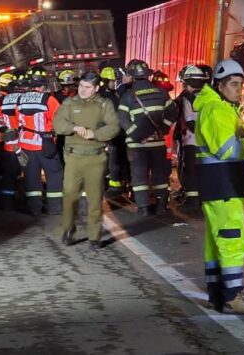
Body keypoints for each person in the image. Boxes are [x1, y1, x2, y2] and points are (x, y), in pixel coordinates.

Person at [195, 59, 244, 315]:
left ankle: (218, 294)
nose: (238, 90)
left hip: (218, 181)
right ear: (219, 85)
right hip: (224, 180)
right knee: (231, 238)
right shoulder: (216, 110)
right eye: (233, 85)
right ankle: (233, 296)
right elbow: (227, 150)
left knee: (216, 241)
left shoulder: (221, 108)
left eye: (241, 86)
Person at [54, 72, 120, 249]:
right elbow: (57, 125)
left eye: (87, 87)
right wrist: (73, 127)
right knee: (69, 195)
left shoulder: (104, 104)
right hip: (73, 157)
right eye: (81, 86)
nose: (83, 90)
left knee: (95, 198)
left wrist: (95, 134)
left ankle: (94, 236)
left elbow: (114, 127)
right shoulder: (69, 103)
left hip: (95, 158)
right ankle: (68, 229)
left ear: (97, 88)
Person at [117, 60, 177, 217]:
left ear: (132, 76)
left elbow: (122, 119)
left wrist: (137, 135)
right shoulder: (161, 93)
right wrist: (163, 128)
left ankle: (143, 207)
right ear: (147, 75)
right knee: (160, 175)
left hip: (137, 146)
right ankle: (161, 205)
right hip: (157, 143)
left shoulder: (127, 96)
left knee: (139, 176)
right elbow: (172, 112)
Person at [17, 66, 63, 215]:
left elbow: (18, 121)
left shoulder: (20, 99)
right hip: (45, 144)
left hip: (26, 145)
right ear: (43, 84)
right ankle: (55, 208)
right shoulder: (49, 99)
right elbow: (59, 121)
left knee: (31, 178)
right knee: (54, 175)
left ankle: (34, 209)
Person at [0, 70, 28, 211]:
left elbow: (0, 122)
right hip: (24, 145)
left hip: (9, 145)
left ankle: (7, 205)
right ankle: (26, 204)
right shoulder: (24, 99)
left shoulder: (2, 100)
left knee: (8, 176)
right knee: (28, 175)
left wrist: (6, 131)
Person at [176, 65, 208, 211]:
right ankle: (202, 198)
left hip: (192, 140)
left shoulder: (188, 99)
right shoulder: (210, 96)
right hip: (207, 141)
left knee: (191, 170)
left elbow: (189, 121)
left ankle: (192, 200)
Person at [100, 66, 129, 197]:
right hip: (108, 134)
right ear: (106, 81)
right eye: (112, 81)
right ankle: (114, 186)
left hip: (119, 133)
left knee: (119, 159)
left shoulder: (114, 94)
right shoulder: (102, 96)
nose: (114, 83)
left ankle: (119, 183)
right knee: (112, 161)